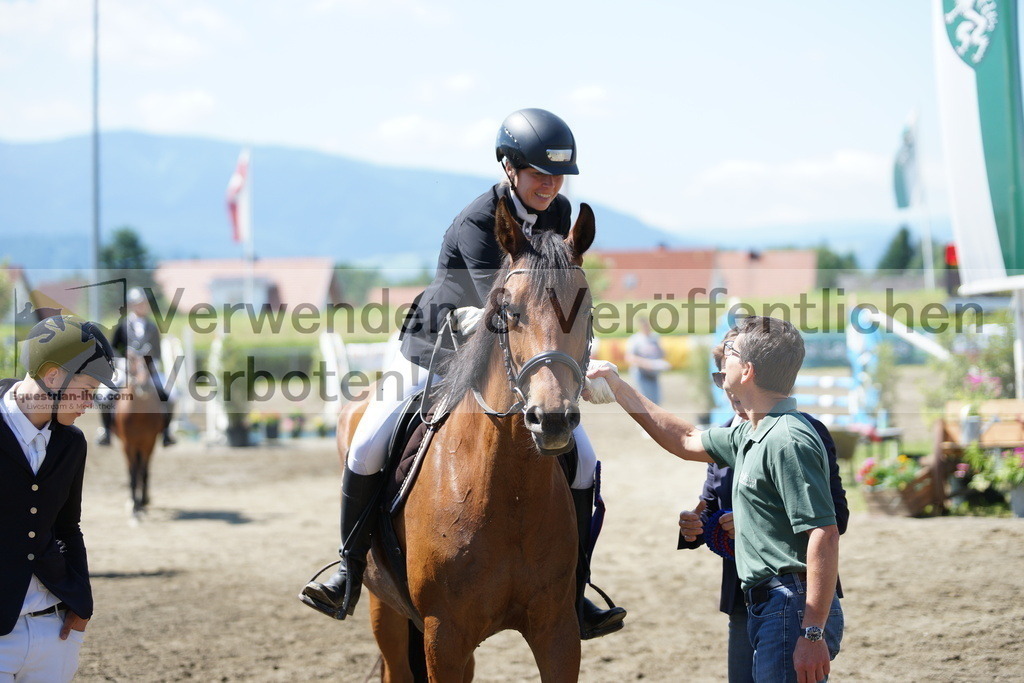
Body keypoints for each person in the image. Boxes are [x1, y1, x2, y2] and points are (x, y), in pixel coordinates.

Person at [301, 108, 627, 639]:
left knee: (585, 462)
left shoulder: (559, 211)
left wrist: (570, 362)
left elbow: (549, 306)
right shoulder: (479, 220)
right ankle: (349, 569)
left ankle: (576, 588)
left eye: (557, 174)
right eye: (538, 173)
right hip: (434, 348)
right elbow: (492, 309)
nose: (550, 184)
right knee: (366, 445)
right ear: (508, 168)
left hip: (515, 360)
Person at [587, 316, 844, 682]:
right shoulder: (753, 431)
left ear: (748, 370)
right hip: (772, 604)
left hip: (791, 605)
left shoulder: (787, 438)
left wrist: (812, 632)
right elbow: (686, 438)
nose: (723, 364)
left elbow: (825, 533)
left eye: (731, 357)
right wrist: (616, 385)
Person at [677, 328, 849, 682]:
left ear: (747, 374)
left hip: (788, 591)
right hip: (745, 592)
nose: (725, 387)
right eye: (719, 377)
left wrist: (753, 522)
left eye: (726, 374)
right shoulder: (728, 434)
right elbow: (710, 497)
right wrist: (696, 524)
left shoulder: (798, 433)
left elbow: (833, 519)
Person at [0, 315, 117, 682]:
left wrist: (82, 602)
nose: (90, 403)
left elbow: (68, 527)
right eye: (85, 390)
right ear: (52, 376)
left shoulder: (72, 443)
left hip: (54, 632)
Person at [97, 287, 176, 447]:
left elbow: (158, 353)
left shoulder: (152, 327)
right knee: (103, 394)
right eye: (140, 304)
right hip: (125, 368)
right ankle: (106, 431)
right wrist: (124, 361)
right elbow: (112, 349)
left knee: (171, 394)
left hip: (147, 369)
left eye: (145, 303)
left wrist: (148, 365)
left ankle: (166, 432)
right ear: (132, 305)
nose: (143, 306)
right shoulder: (122, 326)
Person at [624, 316, 668, 404]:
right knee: (645, 400)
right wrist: (645, 364)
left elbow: (662, 353)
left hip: (653, 374)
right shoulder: (635, 339)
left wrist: (661, 362)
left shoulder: (655, 337)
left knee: (656, 401)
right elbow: (629, 357)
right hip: (641, 374)